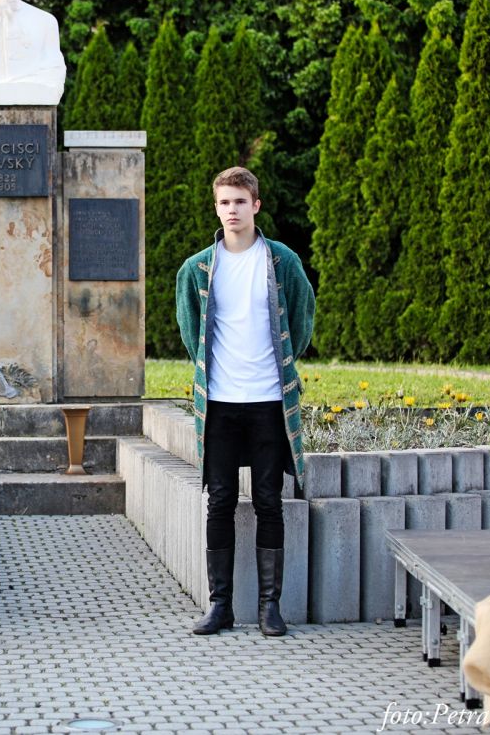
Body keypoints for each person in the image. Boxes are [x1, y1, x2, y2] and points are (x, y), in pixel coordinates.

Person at [175, 167, 315, 637]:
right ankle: (220, 606)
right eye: (224, 202)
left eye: (239, 201)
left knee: (269, 500)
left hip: (268, 400)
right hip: (220, 402)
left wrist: (284, 363)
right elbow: (191, 330)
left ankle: (270, 608)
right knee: (219, 501)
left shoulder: (281, 262)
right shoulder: (197, 268)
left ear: (256, 205)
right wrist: (212, 372)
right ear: (216, 208)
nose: (232, 210)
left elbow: (302, 318)